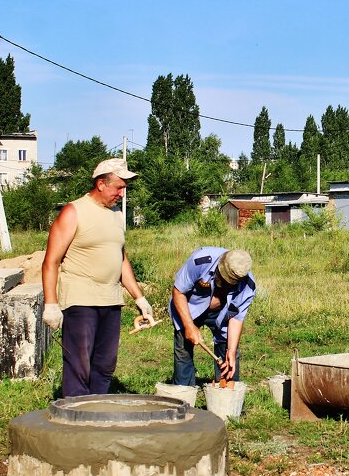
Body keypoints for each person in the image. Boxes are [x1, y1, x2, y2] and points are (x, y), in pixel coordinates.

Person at [41, 158, 154, 397]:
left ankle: (97, 411)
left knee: (104, 365)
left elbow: (121, 259)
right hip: (81, 299)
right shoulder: (74, 211)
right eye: (119, 187)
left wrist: (140, 299)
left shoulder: (116, 216)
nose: (122, 194)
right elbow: (51, 261)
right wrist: (51, 304)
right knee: (79, 365)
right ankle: (76, 416)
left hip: (111, 300)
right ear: (101, 184)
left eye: (125, 188)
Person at [169, 247, 256, 385]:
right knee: (183, 351)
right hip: (189, 308)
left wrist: (231, 350)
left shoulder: (247, 285)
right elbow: (178, 292)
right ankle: (183, 395)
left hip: (222, 313)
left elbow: (236, 317)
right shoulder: (201, 261)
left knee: (228, 352)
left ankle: (226, 396)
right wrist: (189, 326)